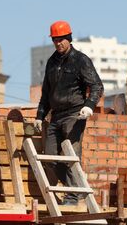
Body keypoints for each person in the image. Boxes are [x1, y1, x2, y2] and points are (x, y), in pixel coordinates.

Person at [35, 20, 104, 206]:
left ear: (69, 38)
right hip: (56, 115)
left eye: (61, 40)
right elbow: (46, 93)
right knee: (50, 157)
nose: (58, 43)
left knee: (71, 156)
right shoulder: (51, 62)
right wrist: (40, 116)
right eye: (55, 40)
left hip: (75, 114)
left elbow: (97, 85)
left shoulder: (80, 60)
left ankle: (72, 197)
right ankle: (77, 188)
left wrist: (89, 105)